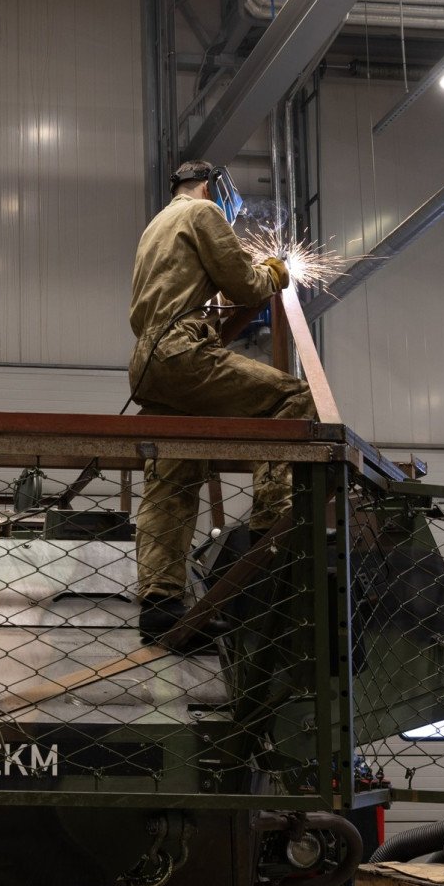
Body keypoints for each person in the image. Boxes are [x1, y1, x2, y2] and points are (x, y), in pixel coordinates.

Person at [128, 160, 316, 648]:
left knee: (174, 479)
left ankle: (161, 606)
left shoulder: (156, 224)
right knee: (292, 398)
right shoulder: (204, 212)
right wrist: (276, 270)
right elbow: (246, 284)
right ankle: (269, 531)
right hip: (184, 352)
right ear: (211, 187)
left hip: (149, 363)